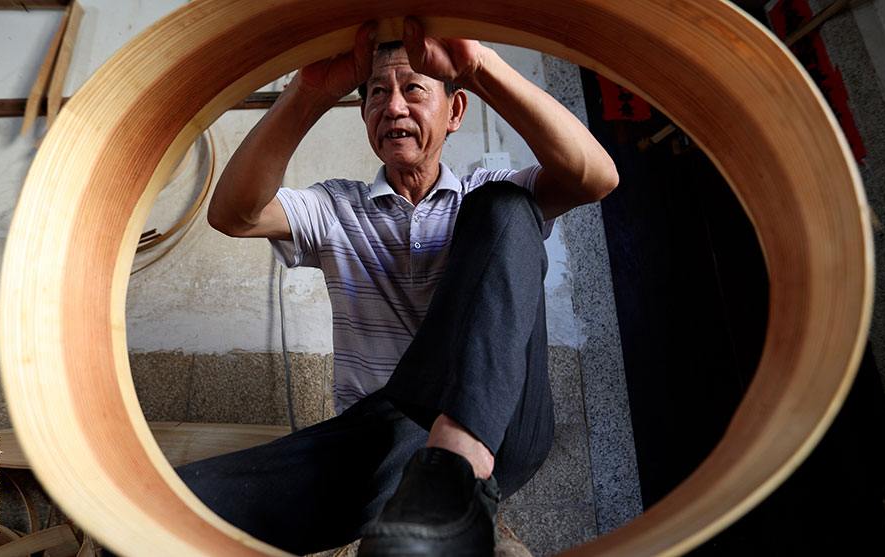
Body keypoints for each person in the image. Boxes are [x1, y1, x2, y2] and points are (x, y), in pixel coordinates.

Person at [179, 18, 618, 556]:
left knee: (506, 207)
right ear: (365, 115)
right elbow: (234, 214)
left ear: (455, 111)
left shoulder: (484, 195)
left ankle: (455, 459)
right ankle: (434, 491)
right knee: (176, 507)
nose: (393, 108)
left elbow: (595, 177)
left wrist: (479, 67)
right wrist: (309, 93)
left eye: (413, 89)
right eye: (376, 94)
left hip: (504, 431)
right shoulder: (336, 208)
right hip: (379, 439)